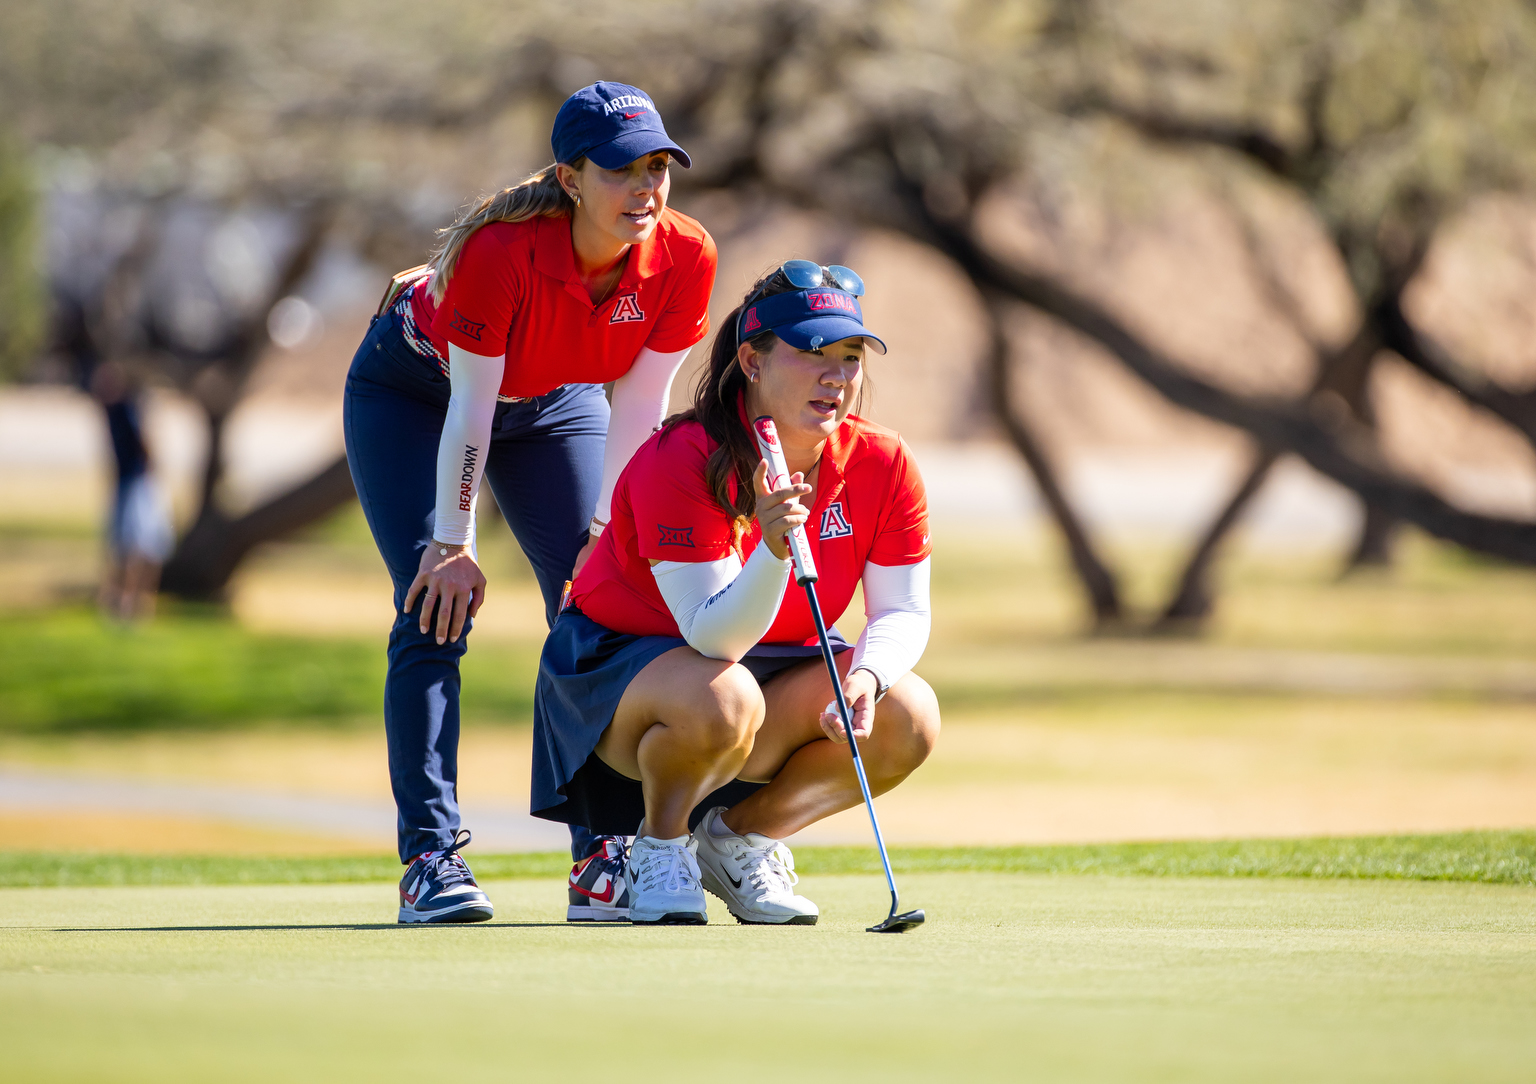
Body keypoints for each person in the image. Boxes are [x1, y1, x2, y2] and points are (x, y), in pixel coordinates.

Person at [343, 82, 717, 924]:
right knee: (434, 606)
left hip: (557, 401)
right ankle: (429, 860)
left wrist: (602, 535)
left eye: (659, 166)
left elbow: (643, 405)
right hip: (418, 392)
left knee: (597, 608)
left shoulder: (685, 254)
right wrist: (453, 540)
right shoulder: (503, 252)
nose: (646, 188)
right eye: (622, 169)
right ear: (571, 177)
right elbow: (471, 410)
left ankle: (600, 856)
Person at [531, 262, 941, 925]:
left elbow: (901, 610)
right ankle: (658, 849)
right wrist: (777, 549)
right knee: (725, 694)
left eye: (850, 356)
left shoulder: (882, 461)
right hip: (621, 676)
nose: (836, 375)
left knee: (907, 712)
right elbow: (712, 635)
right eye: (813, 354)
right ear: (751, 361)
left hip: (766, 671)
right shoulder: (683, 456)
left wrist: (867, 675)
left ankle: (736, 840)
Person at [91, 360, 174, 622]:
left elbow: (145, 443)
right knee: (125, 545)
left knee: (140, 544)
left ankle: (135, 601)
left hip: (137, 482)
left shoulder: (126, 409)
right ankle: (121, 601)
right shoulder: (114, 411)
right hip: (127, 482)